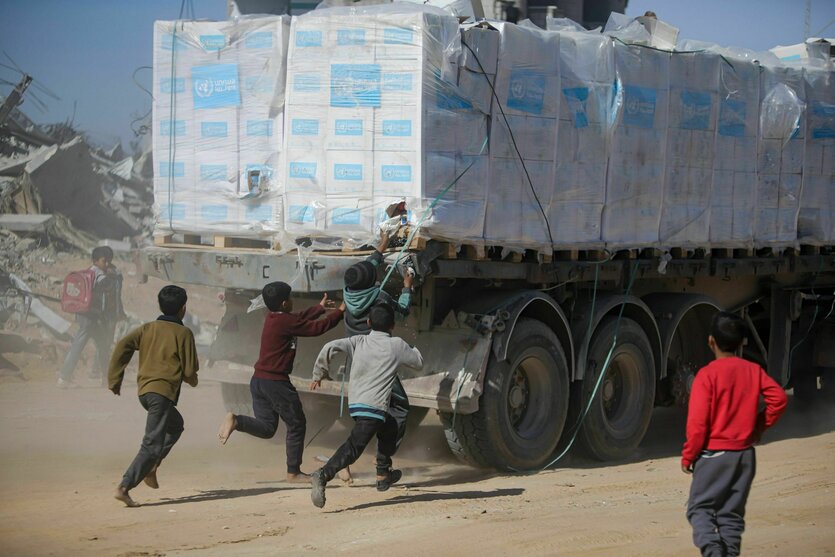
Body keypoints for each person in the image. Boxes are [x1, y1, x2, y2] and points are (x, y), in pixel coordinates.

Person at [682, 311, 788, 557]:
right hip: (744, 456)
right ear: (742, 343)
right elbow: (779, 399)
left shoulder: (706, 376)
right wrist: (759, 427)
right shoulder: (753, 370)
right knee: (731, 515)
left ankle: (713, 552)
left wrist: (689, 456)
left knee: (699, 510)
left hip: (713, 457)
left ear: (710, 341)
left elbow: (697, 425)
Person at [217, 281, 345, 483]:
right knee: (297, 424)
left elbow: (300, 319)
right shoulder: (285, 322)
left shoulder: (274, 318)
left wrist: (320, 308)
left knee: (268, 428)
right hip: (276, 383)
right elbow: (316, 328)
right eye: (291, 299)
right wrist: (339, 312)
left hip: (259, 380)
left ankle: (237, 421)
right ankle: (293, 472)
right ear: (285, 303)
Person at [308, 304, 423, 508]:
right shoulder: (396, 345)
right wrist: (412, 346)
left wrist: (320, 372)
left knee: (390, 426)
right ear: (393, 325)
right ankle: (322, 475)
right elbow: (418, 362)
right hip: (374, 407)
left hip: (357, 403)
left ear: (368, 323)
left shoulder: (358, 341)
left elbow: (329, 347)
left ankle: (382, 474)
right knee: (353, 447)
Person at [108, 285, 199, 507]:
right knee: (151, 443)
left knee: (176, 425)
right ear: (183, 309)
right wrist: (193, 380)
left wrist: (115, 379)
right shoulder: (184, 333)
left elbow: (123, 346)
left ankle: (152, 466)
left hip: (145, 392)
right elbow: (189, 372)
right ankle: (124, 486)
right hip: (162, 394)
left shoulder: (147, 328)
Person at [342, 231, 415, 462]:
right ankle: (383, 459)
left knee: (363, 410)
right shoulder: (380, 297)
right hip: (379, 359)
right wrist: (406, 287)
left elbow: (367, 267)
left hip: (358, 358)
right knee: (399, 406)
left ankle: (349, 458)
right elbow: (402, 311)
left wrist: (382, 246)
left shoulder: (349, 292)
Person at [58, 245, 124, 388]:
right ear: (95, 261)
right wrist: (115, 276)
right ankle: (65, 378)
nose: (107, 264)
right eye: (104, 261)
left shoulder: (88, 272)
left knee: (97, 345)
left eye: (109, 261)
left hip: (85, 315)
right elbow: (107, 285)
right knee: (97, 346)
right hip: (91, 318)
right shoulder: (98, 273)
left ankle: (66, 378)